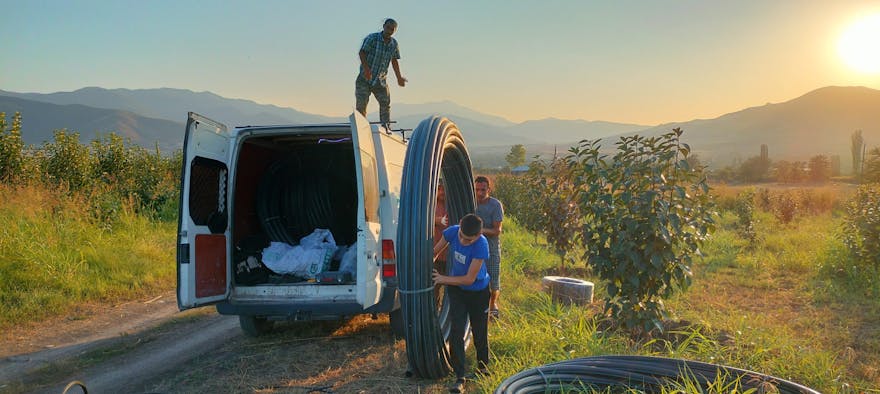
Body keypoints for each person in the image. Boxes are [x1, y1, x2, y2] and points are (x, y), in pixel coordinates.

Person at [432, 214, 490, 393]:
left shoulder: (481, 245)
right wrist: (428, 266)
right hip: (457, 291)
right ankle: (460, 376)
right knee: (457, 330)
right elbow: (435, 252)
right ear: (459, 228)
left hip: (478, 292)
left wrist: (442, 278)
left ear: (478, 235)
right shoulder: (451, 232)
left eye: (469, 239)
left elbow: (469, 279)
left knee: (479, 329)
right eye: (462, 237)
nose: (464, 241)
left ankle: (483, 367)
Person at [356, 18, 407, 127]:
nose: (389, 31)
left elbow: (394, 61)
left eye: (392, 29)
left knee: (385, 104)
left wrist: (399, 77)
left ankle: (386, 127)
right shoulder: (372, 38)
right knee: (361, 105)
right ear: (384, 26)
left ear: (395, 31)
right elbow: (362, 52)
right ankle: (360, 127)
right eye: (388, 28)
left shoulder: (394, 44)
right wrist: (366, 69)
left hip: (380, 80)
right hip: (364, 79)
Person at [474, 176, 504, 319]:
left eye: (483, 190)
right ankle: (479, 308)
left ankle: (493, 304)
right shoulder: (471, 203)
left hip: (490, 248)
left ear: (489, 190)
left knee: (493, 281)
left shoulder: (495, 205)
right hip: (473, 248)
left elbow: (497, 230)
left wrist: (478, 231)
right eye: (477, 190)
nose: (480, 193)